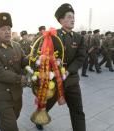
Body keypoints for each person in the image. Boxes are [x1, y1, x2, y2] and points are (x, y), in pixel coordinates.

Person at [35, 3, 86, 131]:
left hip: (71, 80)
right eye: (69, 17)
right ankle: (39, 118)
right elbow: (42, 53)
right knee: (46, 104)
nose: (73, 19)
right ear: (61, 20)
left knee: (77, 111)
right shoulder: (52, 35)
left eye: (73, 17)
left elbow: (80, 58)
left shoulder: (79, 38)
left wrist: (68, 71)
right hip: (54, 81)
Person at [0, 12, 28, 131]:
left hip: (17, 92)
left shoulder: (17, 45)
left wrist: (33, 58)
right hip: (2, 94)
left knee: (15, 116)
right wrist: (19, 78)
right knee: (12, 127)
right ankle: (4, 123)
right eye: (3, 29)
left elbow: (23, 61)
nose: (7, 31)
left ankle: (2, 123)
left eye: (9, 29)